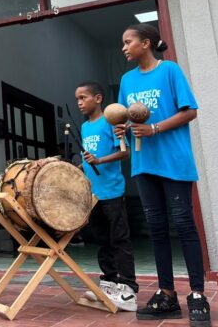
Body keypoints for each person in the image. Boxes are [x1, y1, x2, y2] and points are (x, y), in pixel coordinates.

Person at [114, 24, 210, 327]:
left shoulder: (170, 71)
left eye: (128, 42)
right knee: (156, 229)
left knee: (183, 225)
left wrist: (154, 128)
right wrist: (123, 128)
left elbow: (190, 111)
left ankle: (196, 295)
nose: (124, 47)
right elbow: (127, 116)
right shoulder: (127, 80)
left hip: (175, 162)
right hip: (144, 164)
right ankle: (166, 293)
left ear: (146, 43)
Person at [75, 81, 138, 311]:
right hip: (93, 194)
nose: (80, 103)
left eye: (83, 98)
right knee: (102, 239)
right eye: (78, 99)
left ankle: (129, 289)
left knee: (119, 238)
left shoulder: (111, 122)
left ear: (98, 98)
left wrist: (100, 160)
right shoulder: (83, 127)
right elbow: (87, 159)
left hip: (111, 190)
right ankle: (110, 283)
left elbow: (125, 152)